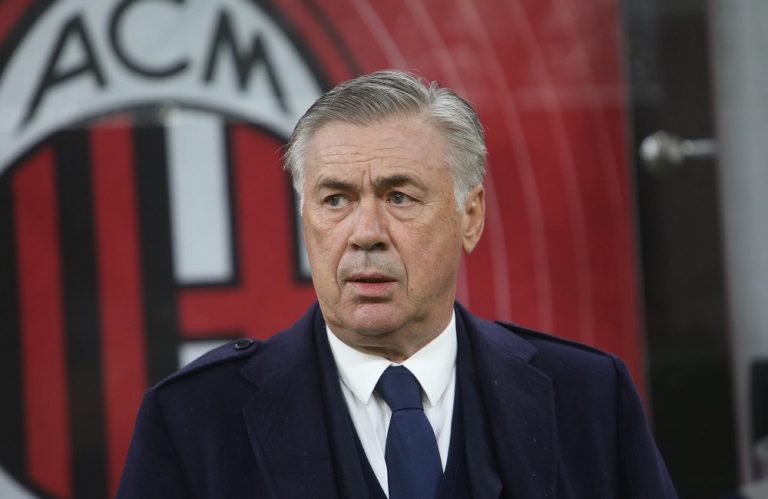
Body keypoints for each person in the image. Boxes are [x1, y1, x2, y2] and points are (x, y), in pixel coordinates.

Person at [118, 70, 677, 498]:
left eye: (399, 196)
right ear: (304, 219)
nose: (365, 233)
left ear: (470, 217)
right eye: (335, 199)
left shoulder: (588, 398)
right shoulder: (195, 422)